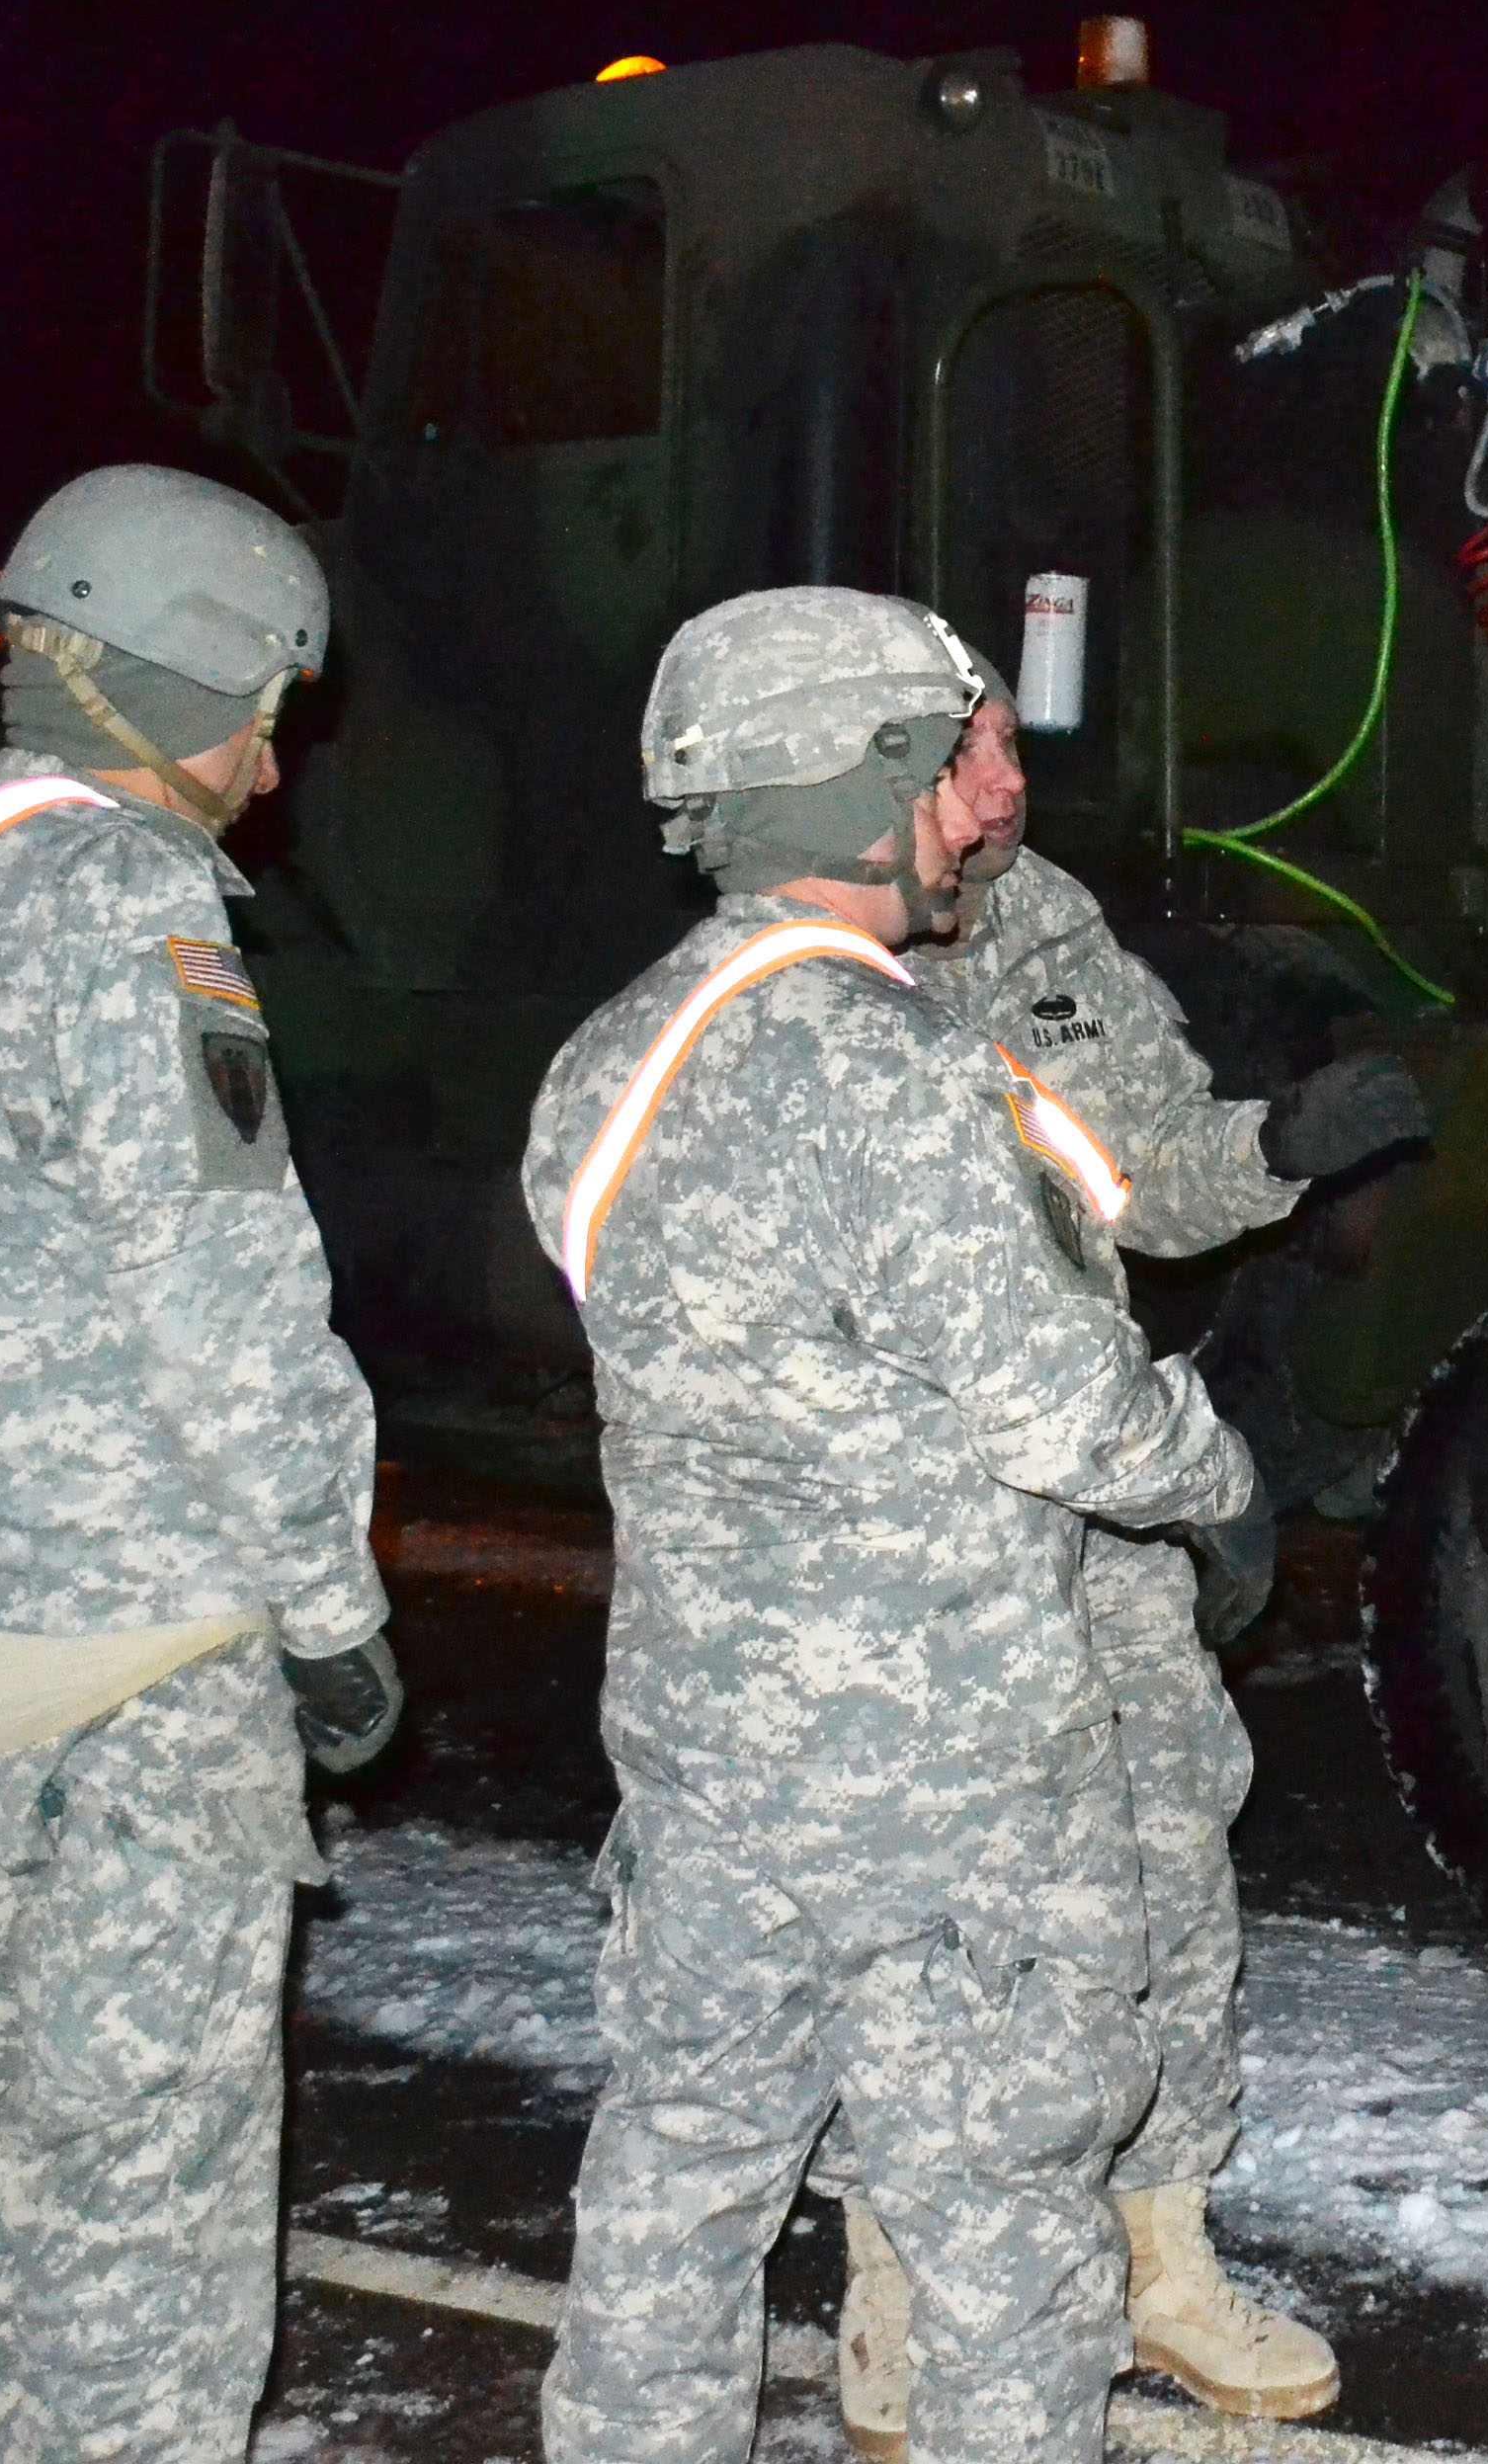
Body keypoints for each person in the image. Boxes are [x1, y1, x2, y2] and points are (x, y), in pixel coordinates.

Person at [525, 589, 1257, 2464]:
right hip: (941, 1786)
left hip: (701, 1761)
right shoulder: (895, 1064)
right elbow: (1059, 1399)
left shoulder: (609, 1053)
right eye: (942, 766)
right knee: (1008, 2236)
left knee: (672, 2210)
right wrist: (1215, 1478)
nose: (968, 807)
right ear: (862, 783)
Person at [0, 462, 389, 2464]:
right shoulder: (127, 902)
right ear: (175, 669)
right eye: (264, 705)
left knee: (10, 2148)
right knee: (151, 2215)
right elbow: (225, 1302)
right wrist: (333, 1612)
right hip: (124, 1655)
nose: (274, 765)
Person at [828, 668, 1432, 2451]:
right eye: (970, 752)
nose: (1011, 779)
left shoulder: (1043, 918)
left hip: (1092, 1489)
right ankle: (897, 2294)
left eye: (1012, 738)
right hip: (911, 1525)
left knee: (1170, 1845)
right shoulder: (814, 956)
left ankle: (1159, 2254)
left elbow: (1136, 1168)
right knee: (928, 1919)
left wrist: (1269, 1150)